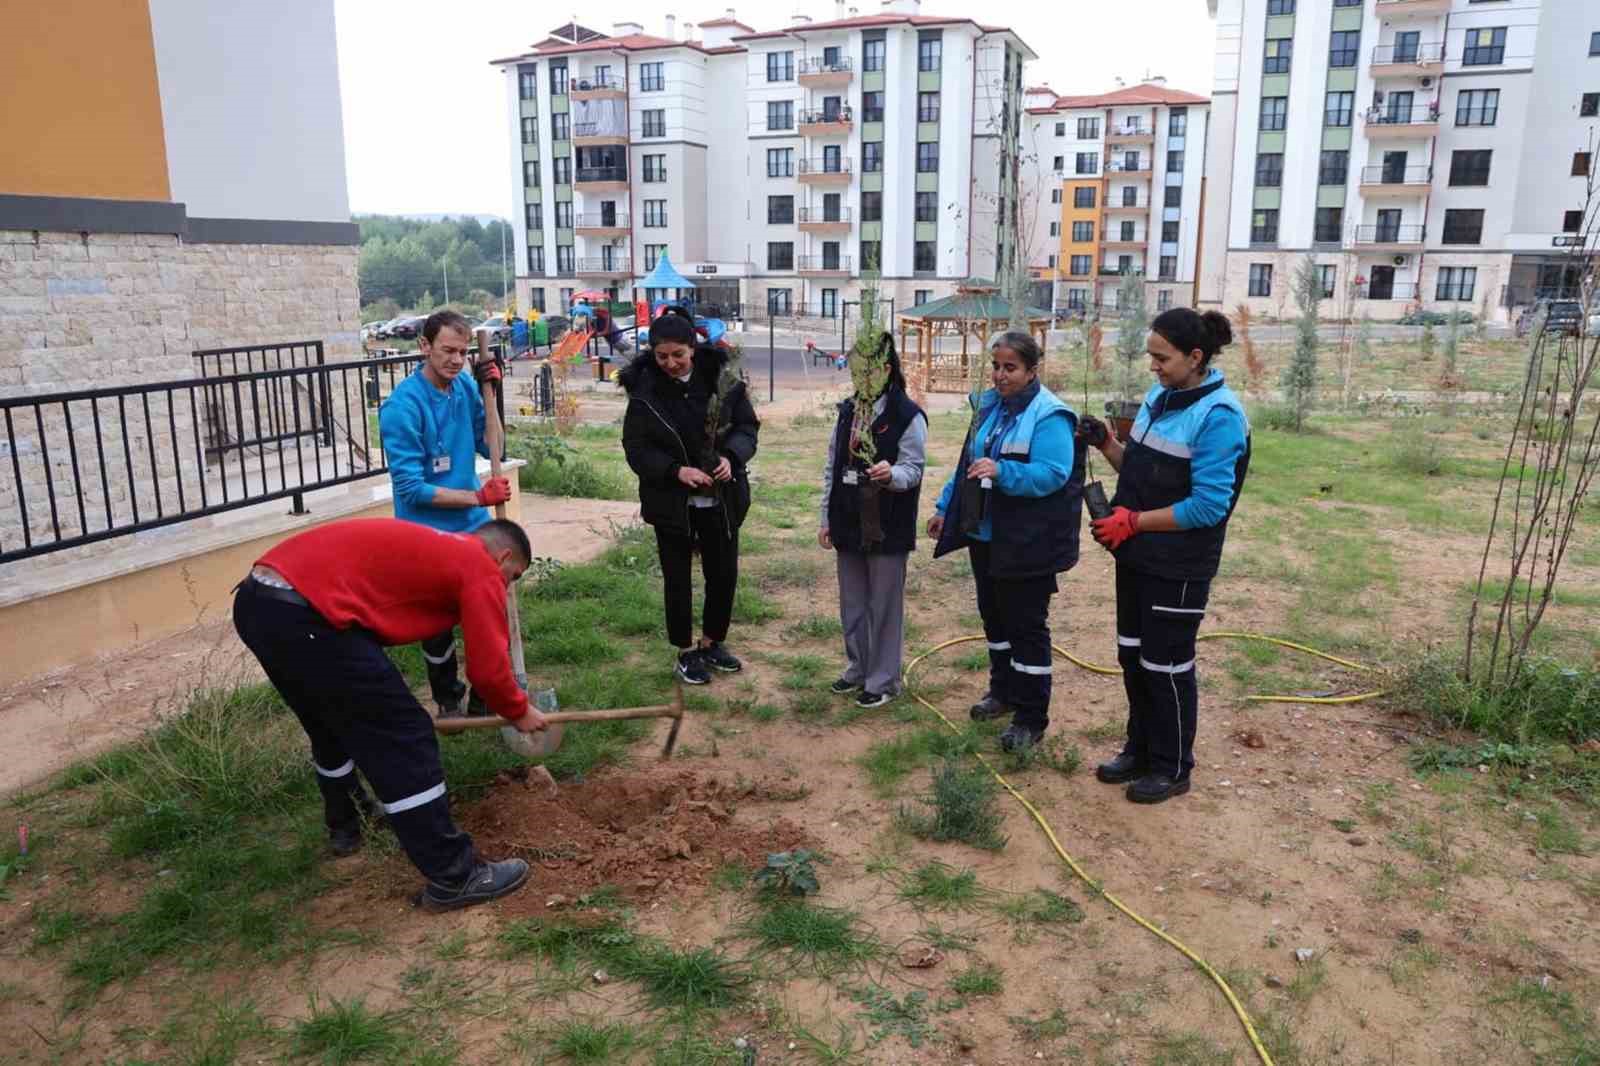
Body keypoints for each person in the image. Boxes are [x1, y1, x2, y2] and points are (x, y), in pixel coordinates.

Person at [231, 517, 548, 910]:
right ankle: (455, 875)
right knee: (405, 734)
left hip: (259, 602)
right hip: (310, 617)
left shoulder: (440, 549)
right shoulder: (478, 564)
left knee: (328, 723)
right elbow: (485, 669)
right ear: (502, 557)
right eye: (512, 576)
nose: (507, 588)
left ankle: (349, 822)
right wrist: (518, 710)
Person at [1083, 307, 1251, 805]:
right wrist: (1108, 443)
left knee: (1167, 664)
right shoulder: (1163, 397)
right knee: (1132, 655)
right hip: (1136, 557)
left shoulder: (1218, 417)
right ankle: (1139, 749)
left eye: (1162, 358)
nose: (1153, 367)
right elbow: (1137, 467)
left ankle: (1173, 765)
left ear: (1195, 357)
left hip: (1179, 566)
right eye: (1150, 357)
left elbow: (1207, 505)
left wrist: (1132, 520)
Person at [929, 331, 1084, 752]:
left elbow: (1054, 473)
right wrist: (946, 507)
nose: (1000, 375)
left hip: (1026, 542)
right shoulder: (989, 408)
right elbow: (968, 462)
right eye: (996, 366)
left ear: (1033, 370)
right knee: (994, 618)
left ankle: (1031, 717)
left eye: (1010, 368)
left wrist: (1004, 473)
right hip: (985, 535)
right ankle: (1003, 692)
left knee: (1026, 627)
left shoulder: (1050, 415)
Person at [378, 310, 509, 718]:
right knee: (437, 626)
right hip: (425, 533)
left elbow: (495, 450)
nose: (456, 359)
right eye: (447, 350)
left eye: (463, 351)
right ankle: (448, 699)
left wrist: (491, 394)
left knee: (486, 611)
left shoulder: (466, 387)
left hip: (473, 527)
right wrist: (477, 498)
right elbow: (411, 490)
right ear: (424, 347)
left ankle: (486, 696)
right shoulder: (402, 407)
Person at [619, 308, 760, 685]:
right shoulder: (644, 392)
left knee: (723, 574)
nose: (670, 363)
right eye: (662, 356)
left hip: (721, 499)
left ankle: (713, 642)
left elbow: (747, 427)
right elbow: (636, 448)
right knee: (677, 578)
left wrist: (732, 457)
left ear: (693, 349)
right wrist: (675, 471)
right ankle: (684, 651)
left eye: (678, 355)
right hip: (672, 503)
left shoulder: (723, 382)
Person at [819, 334, 926, 709]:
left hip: (887, 522)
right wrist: (826, 517)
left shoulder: (907, 415)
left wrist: (892, 473)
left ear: (884, 369)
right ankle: (857, 668)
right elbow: (833, 465)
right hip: (848, 517)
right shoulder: (848, 410)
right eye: (854, 372)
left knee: (883, 603)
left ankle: (883, 680)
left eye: (866, 371)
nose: (859, 379)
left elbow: (913, 469)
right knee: (853, 602)